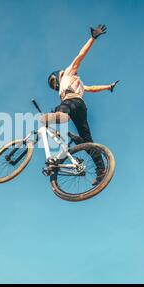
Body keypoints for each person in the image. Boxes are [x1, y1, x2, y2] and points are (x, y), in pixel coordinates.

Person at [47, 24, 119, 186]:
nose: (56, 87)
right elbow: (92, 89)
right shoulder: (78, 82)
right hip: (81, 106)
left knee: (59, 112)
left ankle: (60, 118)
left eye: (54, 84)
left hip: (70, 103)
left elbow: (80, 55)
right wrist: (108, 87)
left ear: (57, 77)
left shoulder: (68, 72)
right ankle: (101, 170)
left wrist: (92, 38)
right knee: (87, 141)